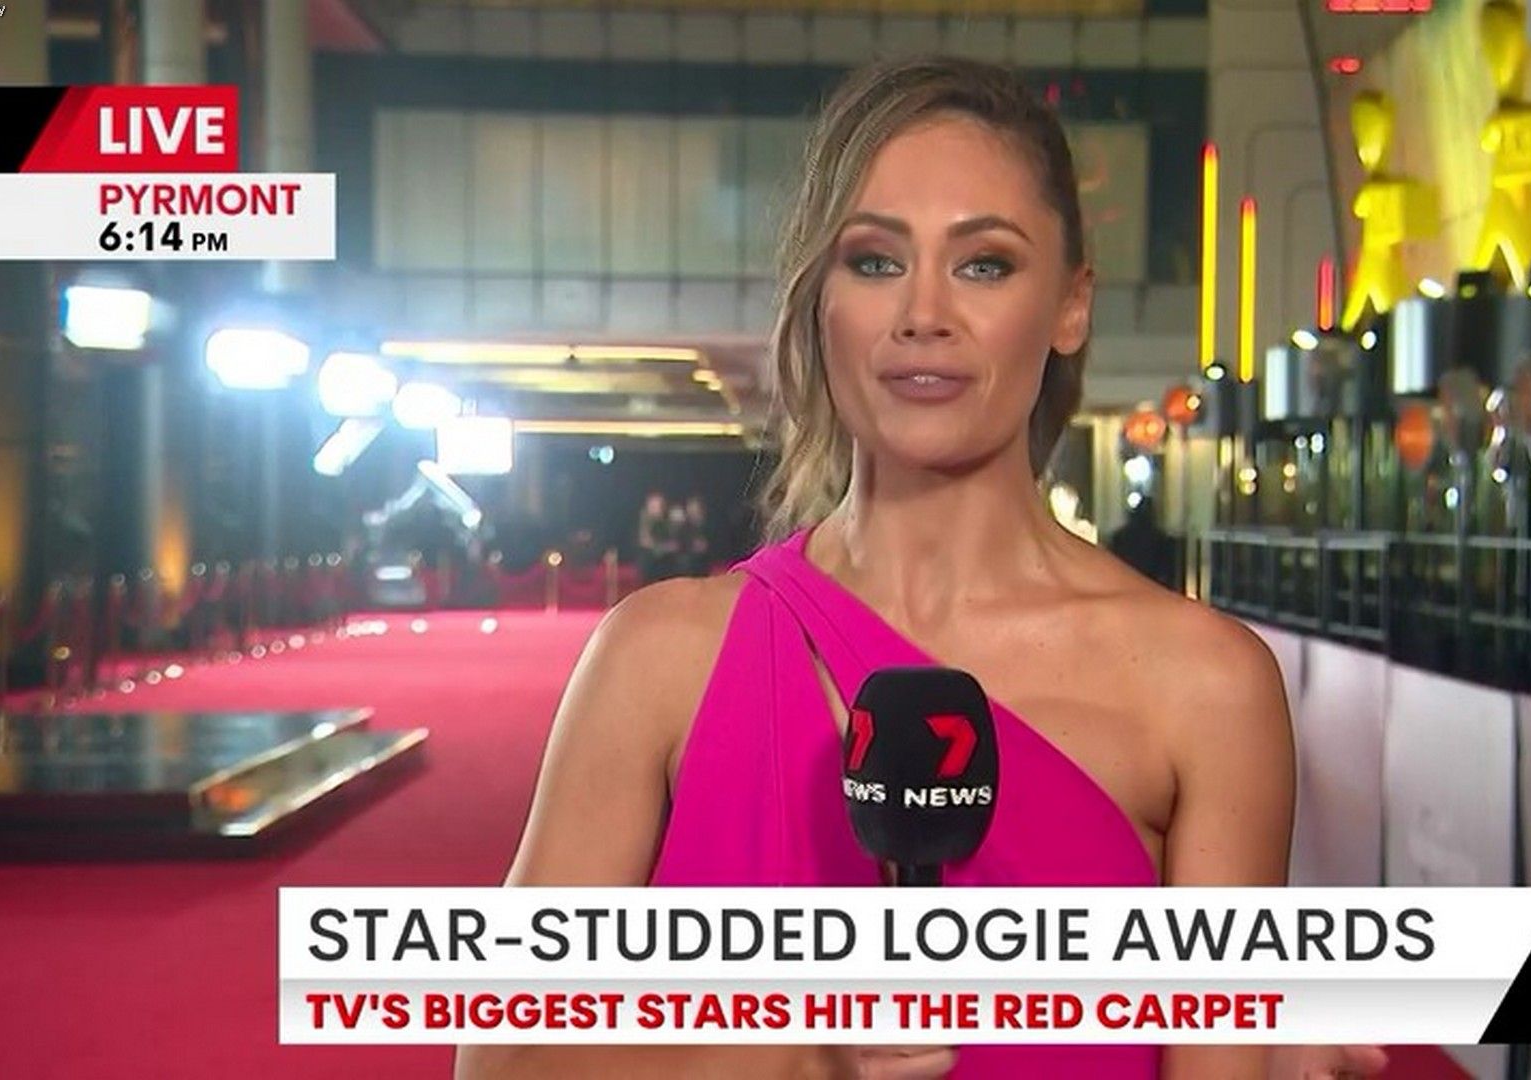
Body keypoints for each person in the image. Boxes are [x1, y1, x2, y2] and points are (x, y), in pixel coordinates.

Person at [463, 56, 1383, 1080]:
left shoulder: (1206, 688)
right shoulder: (656, 657)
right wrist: (795, 1054)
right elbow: (502, 1062)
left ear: (1071, 306)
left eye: (984, 264)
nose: (924, 313)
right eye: (874, 261)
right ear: (821, 302)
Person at [1109, 496, 1176, 589]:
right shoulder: (1159, 537)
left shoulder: (1120, 536)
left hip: (1125, 581)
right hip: (1149, 584)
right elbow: (1166, 569)